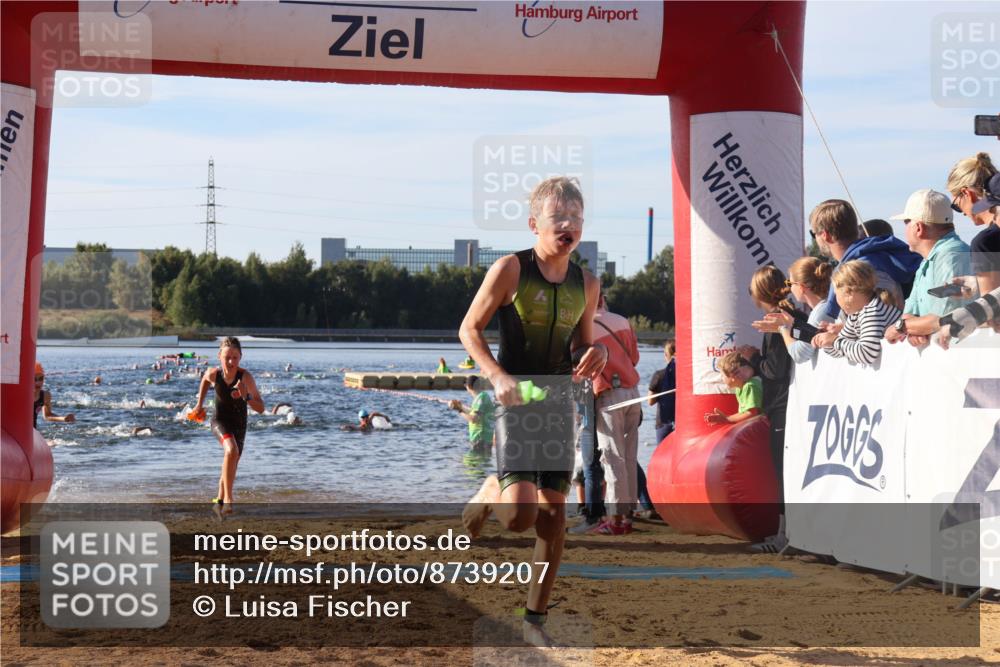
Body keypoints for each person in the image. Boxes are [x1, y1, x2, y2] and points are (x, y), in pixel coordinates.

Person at [458, 176, 607, 626]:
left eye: (577, 218)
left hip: (561, 404)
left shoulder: (588, 283)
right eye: (559, 217)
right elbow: (469, 329)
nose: (569, 225)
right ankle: (490, 489)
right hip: (516, 399)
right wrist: (497, 375)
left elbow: (581, 347)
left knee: (554, 516)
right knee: (520, 517)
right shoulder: (510, 270)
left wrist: (595, 353)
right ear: (533, 225)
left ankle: (535, 617)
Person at [739, 265, 795, 553]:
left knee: (782, 472)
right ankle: (787, 533)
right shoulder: (788, 316)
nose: (749, 295)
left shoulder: (776, 321)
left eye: (751, 289)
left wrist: (754, 358)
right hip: (787, 404)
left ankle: (784, 535)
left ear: (760, 292)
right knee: (785, 471)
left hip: (782, 405)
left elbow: (775, 369)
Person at [884, 189, 972, 346]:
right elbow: (910, 315)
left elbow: (943, 318)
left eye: (906, 222)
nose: (904, 229)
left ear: (918, 228)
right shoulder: (927, 261)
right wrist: (913, 330)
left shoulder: (952, 257)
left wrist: (902, 328)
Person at [810, 199, 921, 319]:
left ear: (825, 235)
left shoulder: (861, 271)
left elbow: (879, 326)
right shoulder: (879, 258)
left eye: (813, 233)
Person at [588, 293, 642, 536]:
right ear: (604, 299)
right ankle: (628, 515)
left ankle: (615, 519)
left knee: (612, 458)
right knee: (630, 457)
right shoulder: (622, 321)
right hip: (633, 393)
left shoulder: (583, 326)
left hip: (609, 395)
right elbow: (635, 358)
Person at [191, 337, 265, 512]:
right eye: (227, 357)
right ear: (219, 356)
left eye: (235, 357)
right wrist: (199, 405)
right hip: (220, 421)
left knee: (232, 461)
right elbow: (204, 381)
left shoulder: (245, 377)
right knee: (231, 451)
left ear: (240, 357)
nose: (231, 361)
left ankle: (219, 503)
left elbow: (261, 408)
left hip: (239, 424)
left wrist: (245, 396)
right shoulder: (213, 374)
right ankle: (229, 500)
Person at [814, 260, 902, 366]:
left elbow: (867, 353)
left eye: (836, 294)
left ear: (849, 293)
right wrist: (824, 340)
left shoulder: (872, 311)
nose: (836, 300)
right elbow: (839, 350)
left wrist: (834, 340)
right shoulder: (856, 315)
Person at [752, 257, 834, 364]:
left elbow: (799, 354)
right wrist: (791, 325)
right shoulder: (823, 308)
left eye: (790, 283)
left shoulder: (821, 312)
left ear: (801, 287)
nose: (789, 288)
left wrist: (783, 328)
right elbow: (809, 337)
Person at [947, 153, 1000, 296]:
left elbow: (993, 313)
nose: (962, 213)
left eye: (957, 206)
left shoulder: (986, 242)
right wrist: (977, 282)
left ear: (967, 194)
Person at [703, 352, 761, 425]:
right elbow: (745, 413)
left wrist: (727, 419)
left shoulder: (750, 386)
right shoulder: (739, 389)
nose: (721, 378)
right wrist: (726, 418)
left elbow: (752, 414)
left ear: (733, 376)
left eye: (722, 375)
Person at [449, 375, 495, 456]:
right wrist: (460, 406)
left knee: (472, 466)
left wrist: (459, 410)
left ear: (469, 386)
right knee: (478, 465)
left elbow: (474, 419)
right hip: (483, 439)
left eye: (466, 386)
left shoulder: (481, 398)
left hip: (481, 440)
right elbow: (473, 412)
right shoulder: (481, 397)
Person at [647, 340, 676, 442]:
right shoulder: (686, 375)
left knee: (663, 455)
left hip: (663, 423)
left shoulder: (659, 375)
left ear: (665, 355)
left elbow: (650, 401)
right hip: (681, 422)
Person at [33, 363, 75, 427]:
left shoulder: (45, 396)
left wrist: (64, 419)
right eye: (34, 379)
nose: (38, 382)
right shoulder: (22, 395)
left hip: (32, 431)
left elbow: (47, 415)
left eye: (41, 378)